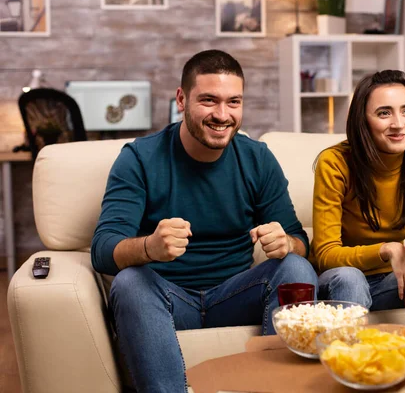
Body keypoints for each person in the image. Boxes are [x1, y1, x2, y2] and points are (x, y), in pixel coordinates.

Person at [91, 49, 318, 393]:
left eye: (233, 102)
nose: (222, 115)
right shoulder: (139, 158)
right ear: (181, 99)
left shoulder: (257, 159)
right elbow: (102, 250)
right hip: (167, 298)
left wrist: (287, 242)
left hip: (237, 295)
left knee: (297, 269)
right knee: (129, 283)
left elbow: (301, 240)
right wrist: (150, 247)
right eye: (209, 100)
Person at [310, 70, 405, 318]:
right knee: (351, 279)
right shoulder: (335, 162)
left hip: (395, 281)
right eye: (384, 113)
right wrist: (390, 250)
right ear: (363, 120)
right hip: (342, 279)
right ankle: (350, 357)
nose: (398, 124)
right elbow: (326, 255)